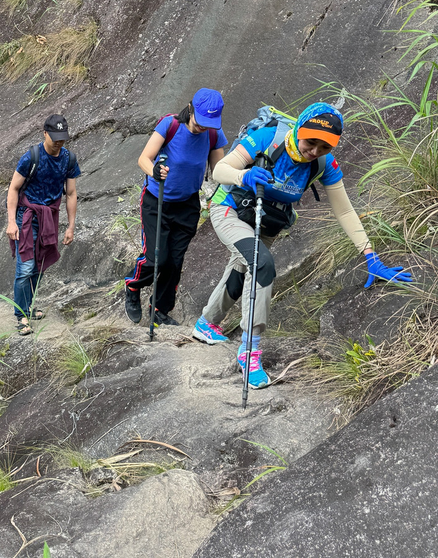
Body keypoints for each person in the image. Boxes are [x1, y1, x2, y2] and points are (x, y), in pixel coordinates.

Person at [193, 102, 414, 389]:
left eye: (324, 147)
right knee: (261, 264)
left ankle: (207, 323)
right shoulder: (267, 138)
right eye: (311, 142)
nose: (315, 152)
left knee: (243, 264)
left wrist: (370, 254)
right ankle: (250, 350)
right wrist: (243, 176)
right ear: (299, 129)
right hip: (231, 208)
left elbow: (345, 211)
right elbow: (222, 169)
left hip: (268, 220)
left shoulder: (324, 164)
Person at [125, 88, 228, 328]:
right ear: (191, 109)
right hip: (157, 200)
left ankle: (160, 309)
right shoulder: (169, 125)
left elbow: (219, 170)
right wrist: (155, 172)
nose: (204, 127)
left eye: (209, 123)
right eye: (201, 121)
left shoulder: (214, 135)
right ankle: (132, 285)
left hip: (187, 204)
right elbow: (144, 158)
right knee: (156, 258)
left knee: (175, 261)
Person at [5, 114, 81, 335]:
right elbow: (13, 188)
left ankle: (28, 308)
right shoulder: (31, 157)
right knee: (26, 268)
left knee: (39, 267)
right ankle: (21, 316)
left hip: (50, 217)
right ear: (45, 133)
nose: (59, 141)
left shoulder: (69, 159)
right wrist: (12, 222)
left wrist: (70, 226)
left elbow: (72, 193)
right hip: (26, 216)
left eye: (62, 138)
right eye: (54, 137)